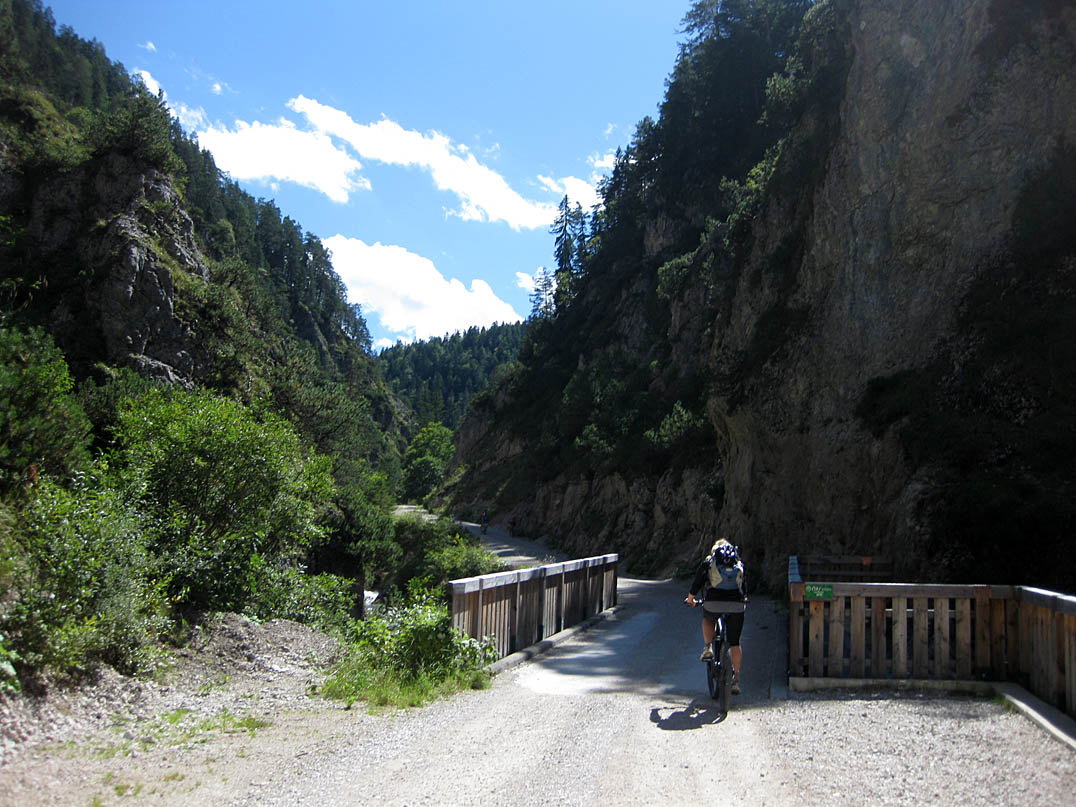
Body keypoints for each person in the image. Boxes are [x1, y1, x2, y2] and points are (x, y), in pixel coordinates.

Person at [684, 538, 747, 695]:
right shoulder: (738, 563)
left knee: (708, 619)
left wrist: (691, 599)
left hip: (713, 603)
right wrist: (744, 598)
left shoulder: (710, 562)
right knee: (735, 643)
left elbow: (698, 582)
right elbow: (744, 586)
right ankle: (736, 679)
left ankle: (708, 648)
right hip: (736, 605)